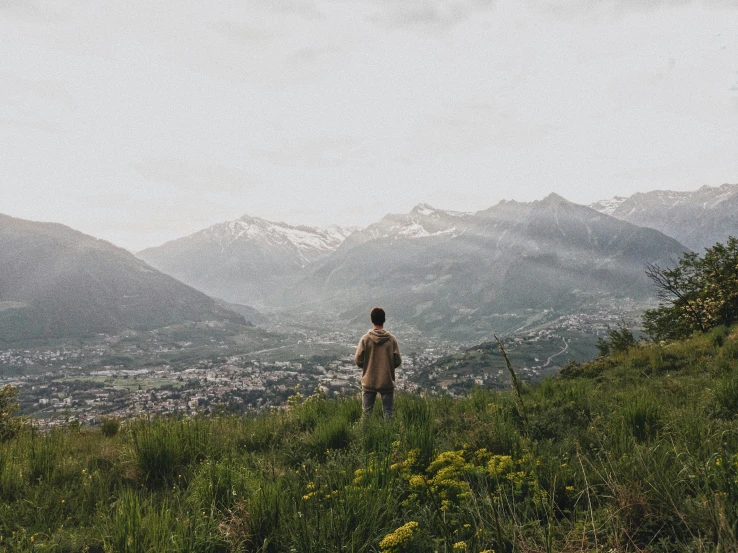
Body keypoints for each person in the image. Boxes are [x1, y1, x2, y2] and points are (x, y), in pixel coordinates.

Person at [354, 307, 402, 419]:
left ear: (372, 320)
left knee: (366, 414)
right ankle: (388, 435)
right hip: (386, 381)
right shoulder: (391, 340)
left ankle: (365, 435)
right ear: (384, 320)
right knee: (388, 413)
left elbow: (358, 359)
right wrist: (388, 366)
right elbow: (397, 360)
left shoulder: (365, 339)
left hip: (369, 381)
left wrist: (367, 366)